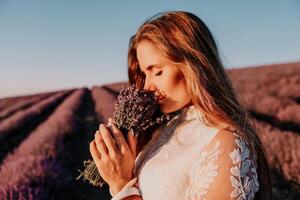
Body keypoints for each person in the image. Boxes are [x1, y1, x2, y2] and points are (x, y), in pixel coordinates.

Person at [89, 11, 272, 200]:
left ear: (192, 65)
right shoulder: (166, 128)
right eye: (145, 74)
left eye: (157, 72)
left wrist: (122, 186)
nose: (147, 86)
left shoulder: (228, 144)